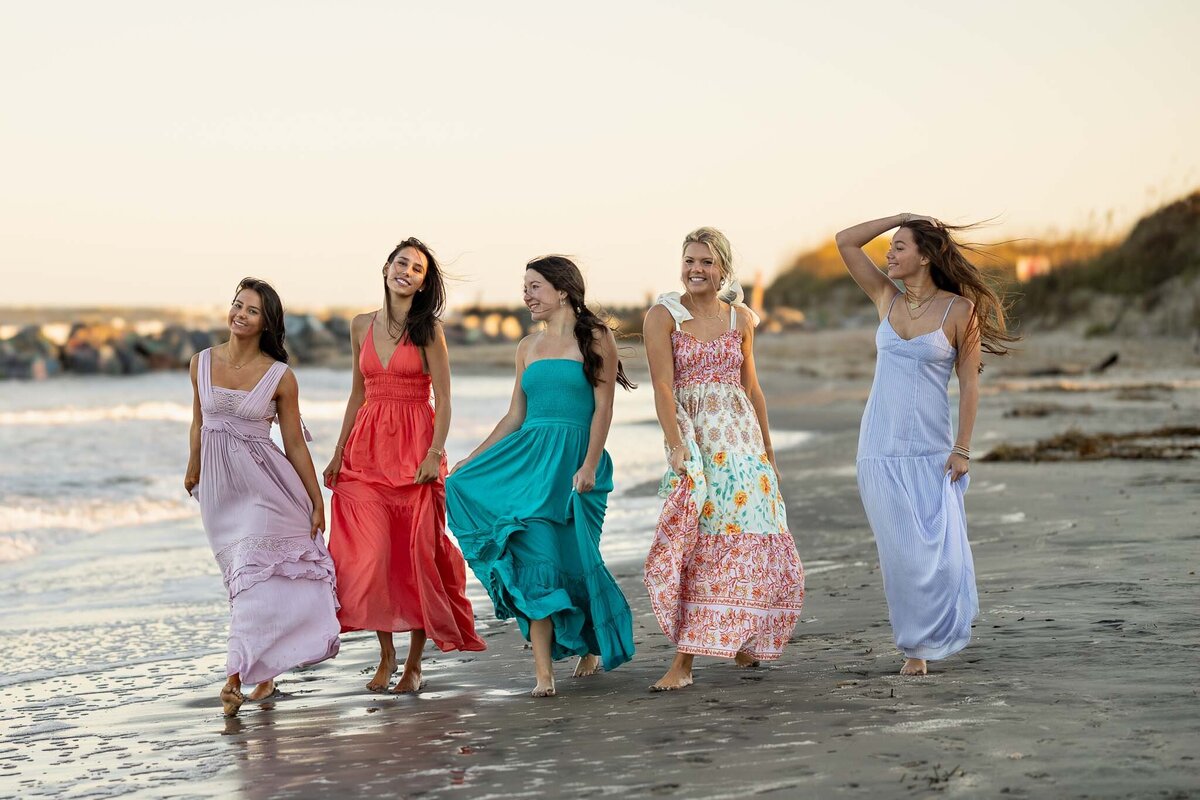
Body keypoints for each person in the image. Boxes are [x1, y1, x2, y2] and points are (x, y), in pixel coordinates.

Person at [446, 256, 636, 697]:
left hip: (573, 465)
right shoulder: (526, 347)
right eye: (525, 287)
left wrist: (589, 464)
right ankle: (543, 673)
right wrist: (471, 462)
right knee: (533, 560)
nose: (527, 295)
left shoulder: (597, 338)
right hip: (527, 466)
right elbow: (515, 415)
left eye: (535, 286)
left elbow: (603, 408)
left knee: (575, 560)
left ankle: (589, 645)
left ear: (563, 290)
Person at [835, 212, 1017, 675]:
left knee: (941, 554)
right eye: (891, 246)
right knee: (899, 554)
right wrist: (900, 218)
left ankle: (942, 626)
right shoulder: (885, 298)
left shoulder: (960, 311)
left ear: (925, 255)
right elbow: (845, 242)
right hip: (878, 448)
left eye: (899, 246)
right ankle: (915, 649)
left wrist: (963, 447)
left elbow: (970, 386)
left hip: (933, 451)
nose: (889, 253)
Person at [642, 227, 805, 692]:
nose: (696, 269)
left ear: (723, 269)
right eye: (690, 260)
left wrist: (768, 453)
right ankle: (684, 661)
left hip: (744, 444)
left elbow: (752, 388)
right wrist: (676, 445)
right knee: (702, 541)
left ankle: (740, 638)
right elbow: (663, 388)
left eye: (707, 262)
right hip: (698, 443)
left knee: (750, 535)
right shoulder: (663, 315)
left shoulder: (740, 319)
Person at [324, 238, 484, 694]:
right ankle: (386, 653)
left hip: (416, 453)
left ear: (423, 282)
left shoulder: (429, 330)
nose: (407, 272)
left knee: (416, 557)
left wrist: (435, 454)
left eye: (417, 269)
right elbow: (358, 393)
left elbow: (446, 399)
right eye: (402, 263)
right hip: (367, 451)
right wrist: (338, 451)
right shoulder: (360, 325)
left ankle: (414, 662)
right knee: (373, 555)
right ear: (387, 268)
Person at [185, 277, 339, 717]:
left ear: (266, 322)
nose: (240, 314)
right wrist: (193, 464)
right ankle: (265, 675)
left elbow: (294, 444)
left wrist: (316, 500)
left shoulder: (280, 377)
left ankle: (234, 678)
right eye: (237, 305)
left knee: (255, 576)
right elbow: (198, 421)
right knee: (241, 581)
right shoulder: (200, 362)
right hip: (219, 491)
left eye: (252, 310)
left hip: (266, 487)